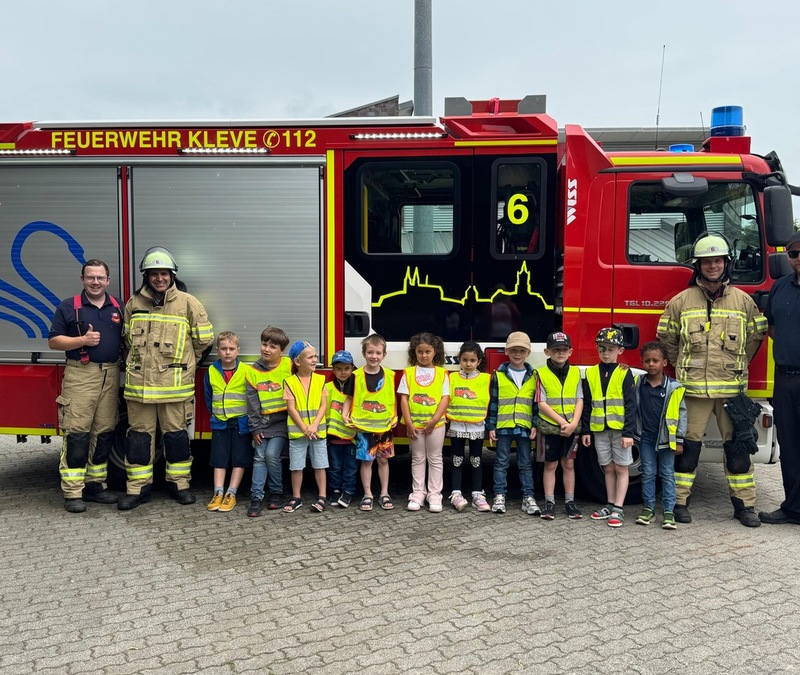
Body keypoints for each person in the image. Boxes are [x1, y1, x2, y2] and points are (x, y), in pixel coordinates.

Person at [657, 233, 767, 527]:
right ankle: (679, 502)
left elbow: (757, 334)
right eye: (707, 262)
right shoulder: (681, 301)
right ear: (698, 266)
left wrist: (740, 361)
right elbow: (666, 335)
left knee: (738, 449)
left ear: (726, 264)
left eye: (717, 260)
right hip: (692, 390)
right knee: (687, 447)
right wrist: (681, 362)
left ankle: (744, 506)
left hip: (731, 392)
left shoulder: (743, 301)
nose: (713, 266)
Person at [119, 246, 214, 510]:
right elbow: (127, 341)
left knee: (177, 439)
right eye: (153, 274)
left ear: (172, 275)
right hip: (140, 390)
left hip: (175, 390)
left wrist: (184, 361)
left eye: (164, 273)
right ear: (146, 277)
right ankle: (137, 489)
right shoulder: (133, 304)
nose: (159, 278)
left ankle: (179, 485)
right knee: (138, 440)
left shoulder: (188, 302)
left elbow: (204, 340)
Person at [48, 259, 123, 513]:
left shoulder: (118, 307)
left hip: (111, 375)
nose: (95, 282)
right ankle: (72, 492)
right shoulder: (69, 307)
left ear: (108, 281)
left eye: (100, 278)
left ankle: (95, 486)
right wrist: (82, 339)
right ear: (82, 279)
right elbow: (54, 342)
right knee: (77, 433)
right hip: (81, 375)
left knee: (104, 432)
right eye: (90, 277)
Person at [760, 231, 800, 526]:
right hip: (785, 377)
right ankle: (793, 508)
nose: (798, 258)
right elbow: (772, 327)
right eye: (794, 253)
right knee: (789, 445)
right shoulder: (780, 288)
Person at [581, 327, 637, 528]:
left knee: (622, 467)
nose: (606, 353)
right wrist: (586, 430)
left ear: (620, 351)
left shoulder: (624, 372)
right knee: (608, 467)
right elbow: (587, 404)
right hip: (599, 430)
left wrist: (628, 432)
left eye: (611, 349)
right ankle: (609, 503)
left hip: (620, 430)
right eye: (602, 348)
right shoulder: (591, 372)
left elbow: (631, 405)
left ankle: (618, 508)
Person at [633, 341, 687, 530]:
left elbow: (681, 415)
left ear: (664, 362)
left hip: (667, 440)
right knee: (648, 473)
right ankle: (648, 509)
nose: (651, 364)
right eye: (647, 361)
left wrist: (679, 440)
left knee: (667, 474)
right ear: (642, 363)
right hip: (646, 437)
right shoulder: (638, 382)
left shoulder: (674, 387)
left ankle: (669, 511)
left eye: (655, 360)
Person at [486, 331, 539, 516]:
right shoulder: (499, 375)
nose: (518, 354)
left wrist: (535, 425)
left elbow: (535, 404)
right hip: (504, 426)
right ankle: (499, 496)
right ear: (507, 351)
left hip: (524, 428)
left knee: (525, 464)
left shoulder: (534, 376)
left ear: (528, 353)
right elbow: (493, 402)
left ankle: (528, 498)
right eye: (514, 350)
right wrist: (491, 426)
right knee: (501, 463)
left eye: (522, 350)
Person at [342, 334, 397, 512]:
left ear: (384, 355)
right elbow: (349, 398)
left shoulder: (389, 375)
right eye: (370, 352)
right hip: (364, 429)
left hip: (384, 429)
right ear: (364, 353)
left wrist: (395, 415)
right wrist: (345, 414)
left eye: (378, 353)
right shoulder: (356, 376)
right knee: (367, 462)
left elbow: (392, 399)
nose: (374, 356)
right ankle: (367, 494)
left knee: (383, 461)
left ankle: (384, 493)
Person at [399, 332, 451, 513]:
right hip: (415, 424)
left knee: (435, 458)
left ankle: (435, 494)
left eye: (427, 351)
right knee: (417, 458)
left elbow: (445, 399)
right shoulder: (409, 372)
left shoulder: (442, 373)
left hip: (435, 425)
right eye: (420, 352)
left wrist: (434, 419)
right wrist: (408, 423)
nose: (424, 355)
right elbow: (404, 399)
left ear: (435, 352)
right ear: (415, 352)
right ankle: (418, 493)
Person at [535, 331, 584, 520]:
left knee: (569, 463)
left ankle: (570, 502)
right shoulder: (540, 373)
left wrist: (573, 424)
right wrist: (563, 423)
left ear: (570, 351)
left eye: (564, 349)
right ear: (547, 352)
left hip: (571, 427)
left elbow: (580, 399)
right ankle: (549, 502)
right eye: (556, 350)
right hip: (550, 427)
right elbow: (541, 403)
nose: (560, 353)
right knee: (551, 464)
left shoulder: (575, 372)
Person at [244, 326, 291, 517]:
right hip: (261, 423)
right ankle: (256, 497)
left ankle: (277, 492)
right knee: (259, 456)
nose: (266, 349)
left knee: (272, 454)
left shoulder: (288, 365)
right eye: (264, 344)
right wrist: (255, 428)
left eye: (273, 346)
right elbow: (252, 404)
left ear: (282, 351)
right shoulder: (252, 371)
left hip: (281, 422)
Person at [203, 331, 251, 513]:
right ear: (217, 351)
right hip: (219, 422)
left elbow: (251, 398)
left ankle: (231, 493)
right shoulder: (212, 371)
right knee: (219, 459)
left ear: (238, 351)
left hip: (240, 423)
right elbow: (208, 397)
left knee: (239, 459)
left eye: (231, 349)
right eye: (224, 349)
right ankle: (218, 492)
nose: (228, 352)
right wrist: (215, 414)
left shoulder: (246, 371)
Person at [282, 340, 328, 513]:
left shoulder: (320, 380)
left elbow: (324, 405)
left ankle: (322, 496)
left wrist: (314, 425)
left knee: (320, 465)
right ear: (297, 361)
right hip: (298, 433)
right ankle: (296, 497)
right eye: (310, 357)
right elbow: (291, 408)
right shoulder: (289, 382)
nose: (315, 359)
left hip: (317, 432)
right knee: (296, 466)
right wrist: (304, 428)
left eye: (315, 356)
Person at [445, 341, 491, 512]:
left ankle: (478, 494)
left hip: (476, 426)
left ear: (479, 361)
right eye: (465, 360)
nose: (468, 364)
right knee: (456, 459)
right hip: (457, 423)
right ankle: (456, 493)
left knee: (476, 460)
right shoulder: (452, 377)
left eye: (472, 360)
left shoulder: (485, 379)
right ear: (459, 360)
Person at [325, 350, 357, 508]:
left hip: (351, 438)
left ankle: (349, 491)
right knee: (334, 466)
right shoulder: (328, 388)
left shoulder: (358, 388)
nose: (343, 372)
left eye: (346, 368)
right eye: (339, 368)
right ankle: (336, 491)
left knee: (350, 467)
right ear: (333, 370)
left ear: (352, 368)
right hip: (333, 437)